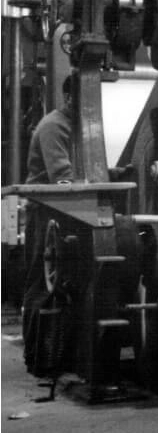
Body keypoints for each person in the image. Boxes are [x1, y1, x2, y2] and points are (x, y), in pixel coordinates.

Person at [21, 75, 75, 351]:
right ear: (69, 97)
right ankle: (36, 355)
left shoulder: (76, 125)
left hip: (63, 208)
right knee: (42, 281)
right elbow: (62, 176)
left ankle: (58, 352)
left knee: (56, 280)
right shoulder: (54, 126)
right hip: (46, 209)